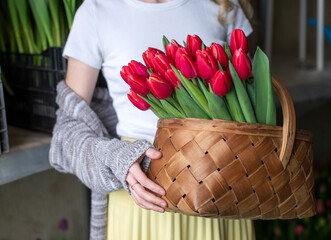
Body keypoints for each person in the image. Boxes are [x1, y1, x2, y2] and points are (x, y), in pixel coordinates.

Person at [49, 0, 255, 239]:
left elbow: (249, 108)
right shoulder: (97, 11)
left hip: (222, 193)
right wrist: (116, 159)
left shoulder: (221, 5)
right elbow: (66, 132)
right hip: (144, 197)